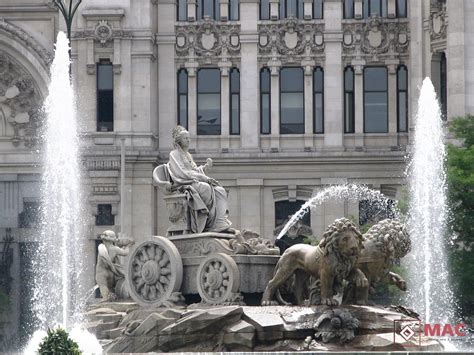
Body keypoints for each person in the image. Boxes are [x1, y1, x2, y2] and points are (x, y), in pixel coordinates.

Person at [167, 125, 232, 233]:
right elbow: (182, 173)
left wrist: (205, 168)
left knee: (220, 190)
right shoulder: (174, 154)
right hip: (185, 184)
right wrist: (203, 178)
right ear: (179, 141)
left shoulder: (187, 155)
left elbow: (195, 170)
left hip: (194, 181)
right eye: (185, 138)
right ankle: (207, 222)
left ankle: (219, 222)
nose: (188, 140)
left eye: (189, 138)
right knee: (206, 188)